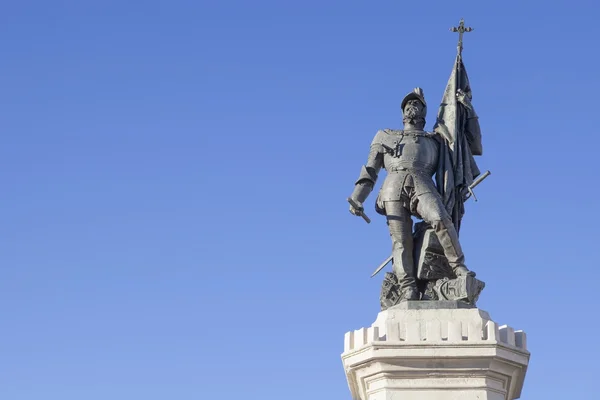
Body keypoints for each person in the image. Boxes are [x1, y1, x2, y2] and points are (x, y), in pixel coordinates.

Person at [348, 88, 475, 301]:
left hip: (422, 182)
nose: (411, 106)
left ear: (425, 112)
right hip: (392, 187)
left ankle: (459, 268)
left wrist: (466, 108)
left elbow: (465, 143)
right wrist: (358, 198)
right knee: (401, 241)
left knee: (441, 219)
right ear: (402, 111)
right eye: (408, 104)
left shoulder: (437, 139)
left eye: (416, 103)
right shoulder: (384, 136)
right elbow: (370, 170)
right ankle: (408, 288)